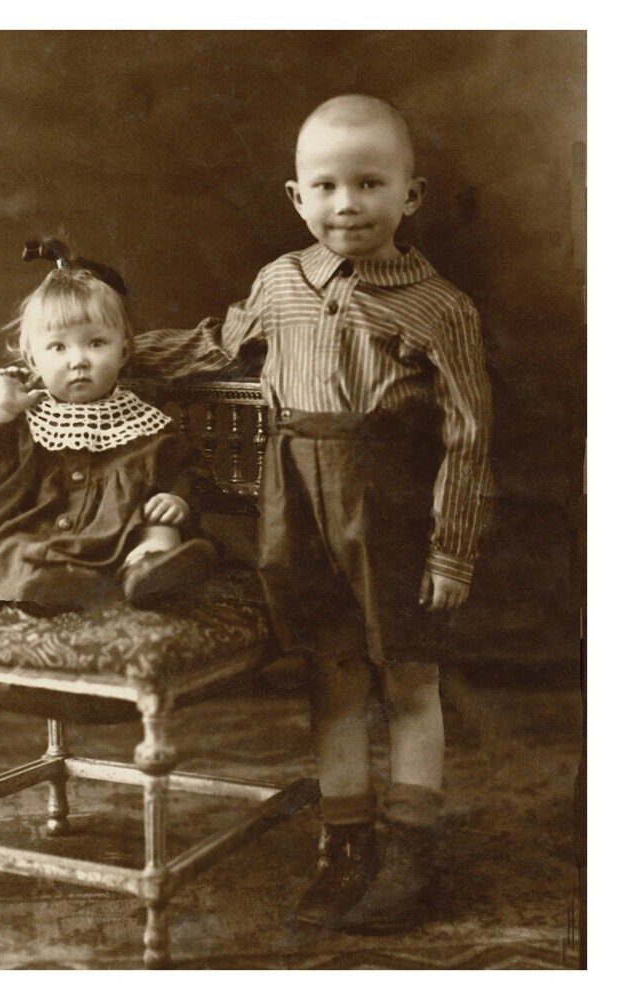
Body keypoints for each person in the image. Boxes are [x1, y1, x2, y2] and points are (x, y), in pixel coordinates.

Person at [131, 94, 493, 933]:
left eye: (370, 183)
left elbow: (469, 436)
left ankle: (410, 849)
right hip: (296, 501)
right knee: (331, 672)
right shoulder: (279, 282)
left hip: (392, 509)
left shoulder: (440, 307)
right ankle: (345, 842)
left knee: (407, 677)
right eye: (325, 186)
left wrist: (451, 551)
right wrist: (106, 348)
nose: (346, 204)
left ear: (411, 194)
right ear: (297, 197)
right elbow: (215, 346)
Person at [0, 238, 217, 612]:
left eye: (96, 343)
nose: (78, 360)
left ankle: (150, 566)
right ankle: (48, 586)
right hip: (39, 533)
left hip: (116, 539)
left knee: (157, 525)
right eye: (58, 347)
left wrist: (178, 499)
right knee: (11, 548)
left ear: (123, 351)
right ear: (33, 359)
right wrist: (2, 415)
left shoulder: (144, 425)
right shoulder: (30, 422)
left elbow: (188, 470)